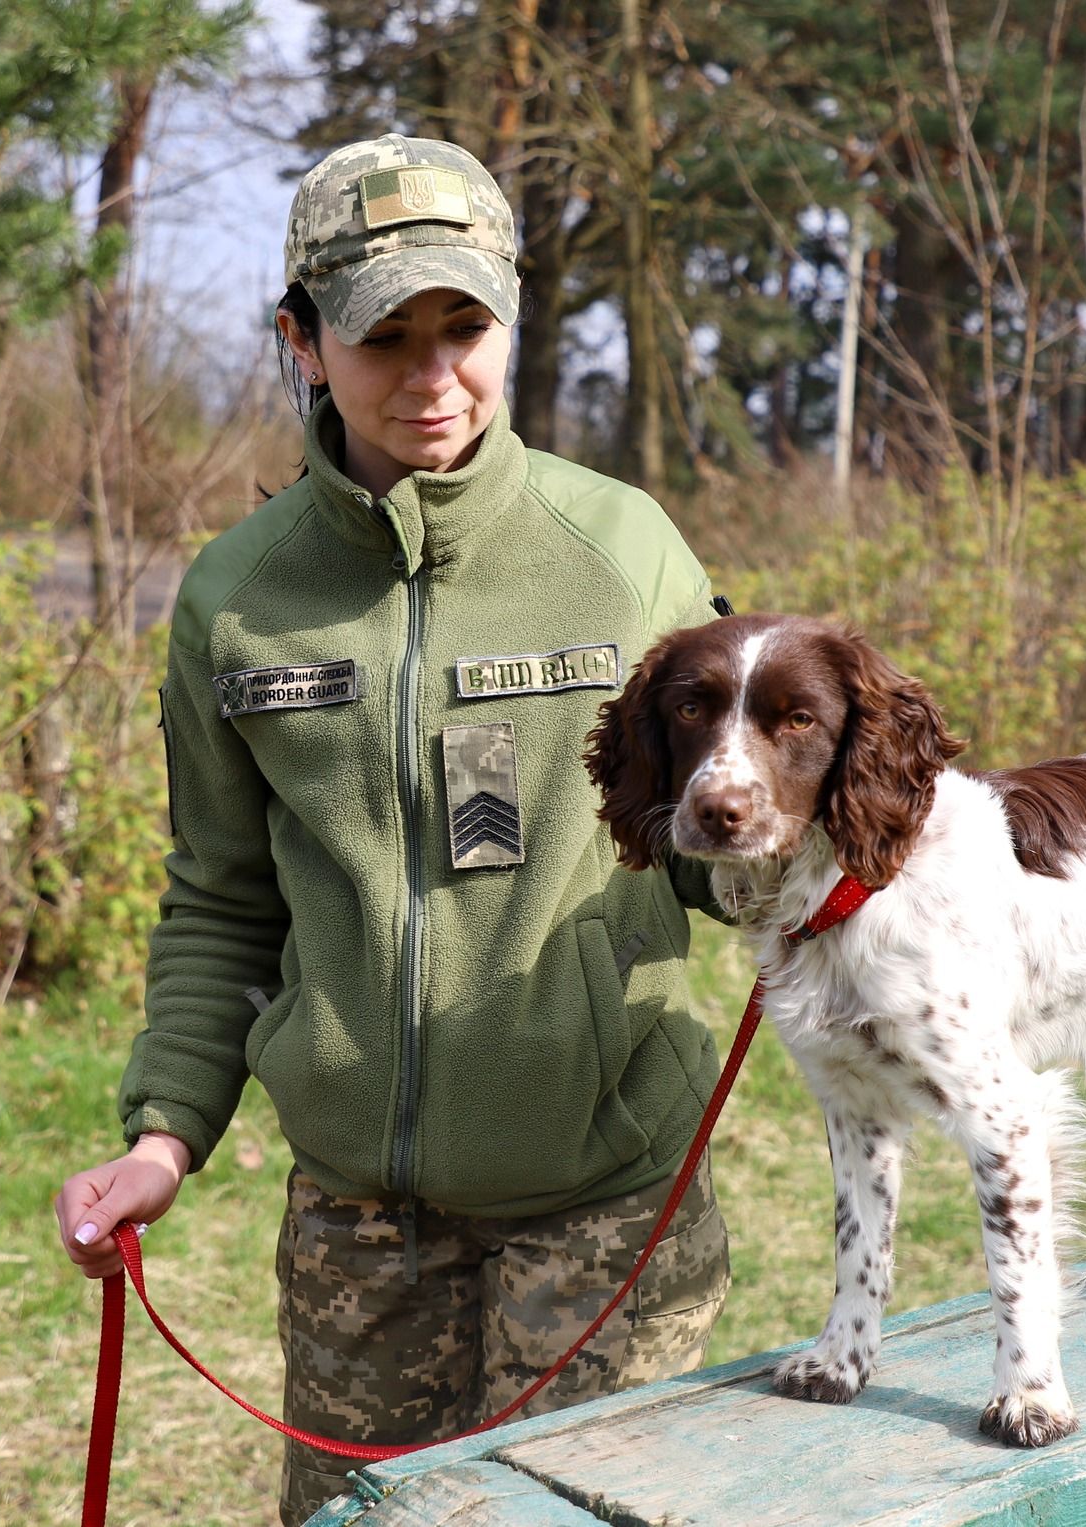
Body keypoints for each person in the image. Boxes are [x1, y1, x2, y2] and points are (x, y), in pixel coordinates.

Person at [52, 134, 731, 1524]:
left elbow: (722, 840)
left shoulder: (626, 555)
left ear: (510, 322)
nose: (433, 379)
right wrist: (163, 1136)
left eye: (463, 330)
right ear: (302, 340)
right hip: (358, 1235)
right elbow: (222, 900)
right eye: (384, 338)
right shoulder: (238, 600)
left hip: (606, 1205)